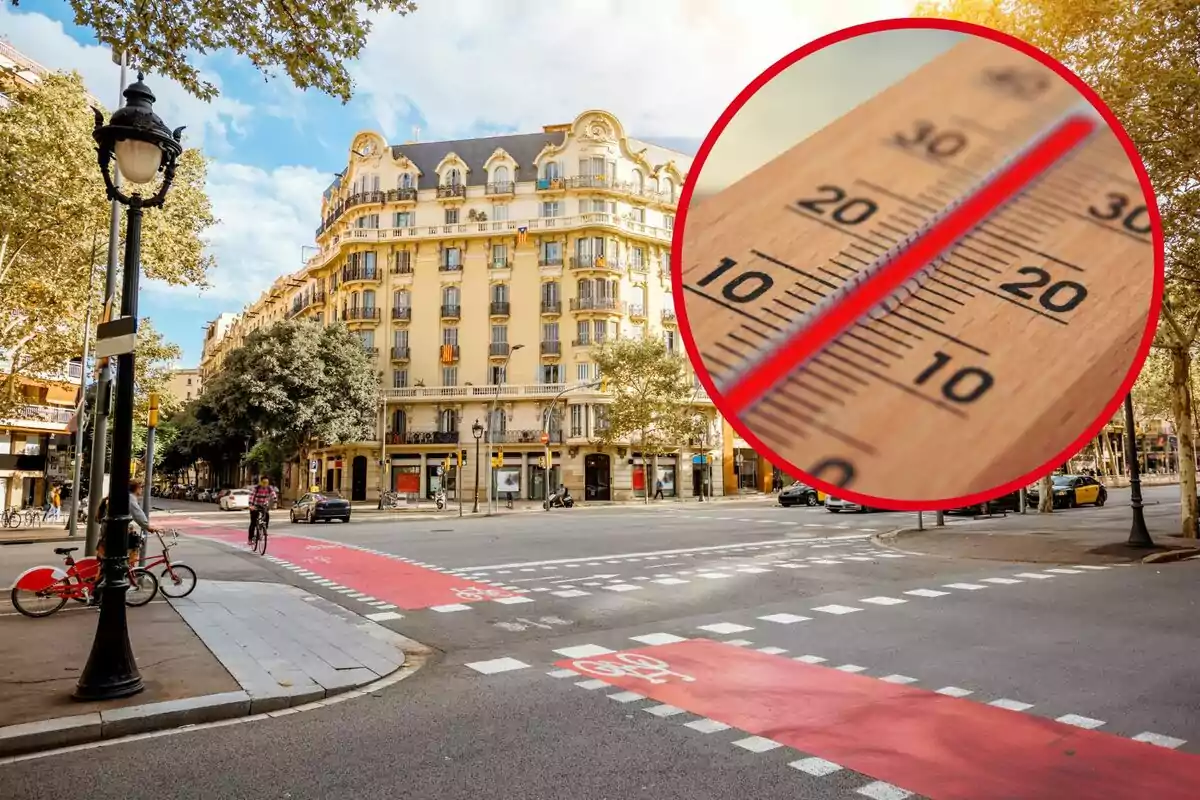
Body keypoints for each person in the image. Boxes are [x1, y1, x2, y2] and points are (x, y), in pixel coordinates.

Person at [248, 476, 278, 544]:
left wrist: (275, 503)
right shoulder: (256, 488)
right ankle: (250, 539)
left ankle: (264, 529)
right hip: (255, 505)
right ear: (261, 482)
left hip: (263, 505)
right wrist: (251, 505)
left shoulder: (269, 488)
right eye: (264, 482)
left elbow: (273, 494)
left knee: (267, 515)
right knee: (253, 523)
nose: (265, 484)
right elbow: (251, 496)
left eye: (267, 482)